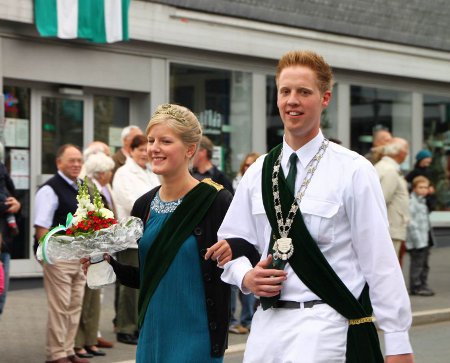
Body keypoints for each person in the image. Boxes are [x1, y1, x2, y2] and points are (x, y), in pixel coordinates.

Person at [218, 50, 414, 363]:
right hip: (266, 329)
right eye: (285, 91)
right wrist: (245, 277)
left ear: (324, 99)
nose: (292, 100)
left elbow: (380, 262)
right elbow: (230, 245)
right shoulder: (257, 172)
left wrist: (398, 342)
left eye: (303, 92)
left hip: (326, 327)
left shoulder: (353, 170)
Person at [81, 103, 258, 362]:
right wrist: (111, 267)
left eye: (165, 141)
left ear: (190, 149)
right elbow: (149, 275)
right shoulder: (144, 205)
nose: (154, 148)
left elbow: (251, 250)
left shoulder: (215, 200)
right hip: (153, 333)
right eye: (151, 140)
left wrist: (236, 250)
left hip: (198, 335)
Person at [34, 144, 89, 363]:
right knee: (60, 306)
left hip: (79, 255)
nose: (76, 164)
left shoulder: (81, 186)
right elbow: (41, 228)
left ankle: (68, 350)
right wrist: (49, 259)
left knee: (75, 305)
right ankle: (56, 354)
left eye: (79, 160)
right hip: (58, 257)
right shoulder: (49, 189)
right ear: (59, 163)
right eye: (71, 160)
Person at [112, 134, 160, 345]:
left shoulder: (150, 172)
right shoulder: (123, 173)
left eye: (145, 149)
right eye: (139, 149)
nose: (143, 153)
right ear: (130, 151)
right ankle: (125, 327)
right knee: (129, 288)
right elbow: (131, 201)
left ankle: (138, 325)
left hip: (149, 234)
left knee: (143, 282)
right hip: (130, 237)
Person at [74, 152, 116, 359]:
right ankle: (81, 343)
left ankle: (90, 341)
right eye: (109, 171)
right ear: (101, 173)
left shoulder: (101, 187)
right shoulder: (88, 188)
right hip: (89, 248)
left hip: (98, 247)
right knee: (86, 299)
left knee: (94, 296)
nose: (111, 174)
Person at [229, 152, 261, 334]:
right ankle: (233, 320)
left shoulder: (261, 182)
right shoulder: (236, 182)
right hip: (237, 241)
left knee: (251, 284)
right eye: (246, 165)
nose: (248, 168)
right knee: (236, 281)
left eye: (252, 164)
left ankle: (247, 319)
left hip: (253, 246)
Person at [374, 137, 411, 261]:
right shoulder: (390, 170)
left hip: (389, 228)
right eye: (406, 149)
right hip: (390, 229)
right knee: (388, 266)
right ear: (399, 152)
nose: (407, 153)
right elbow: (381, 201)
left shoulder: (383, 166)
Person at [406, 176, 435, 297]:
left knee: (425, 265)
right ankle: (416, 286)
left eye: (426, 187)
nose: (424, 190)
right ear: (414, 188)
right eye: (420, 187)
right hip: (417, 241)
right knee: (417, 265)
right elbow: (411, 224)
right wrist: (418, 242)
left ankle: (423, 284)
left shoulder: (423, 200)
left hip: (425, 238)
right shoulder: (412, 202)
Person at [0, 159, 21, 317]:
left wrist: (16, 206)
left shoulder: (1, 168)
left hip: (3, 246)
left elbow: (11, 195)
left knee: (1, 299)